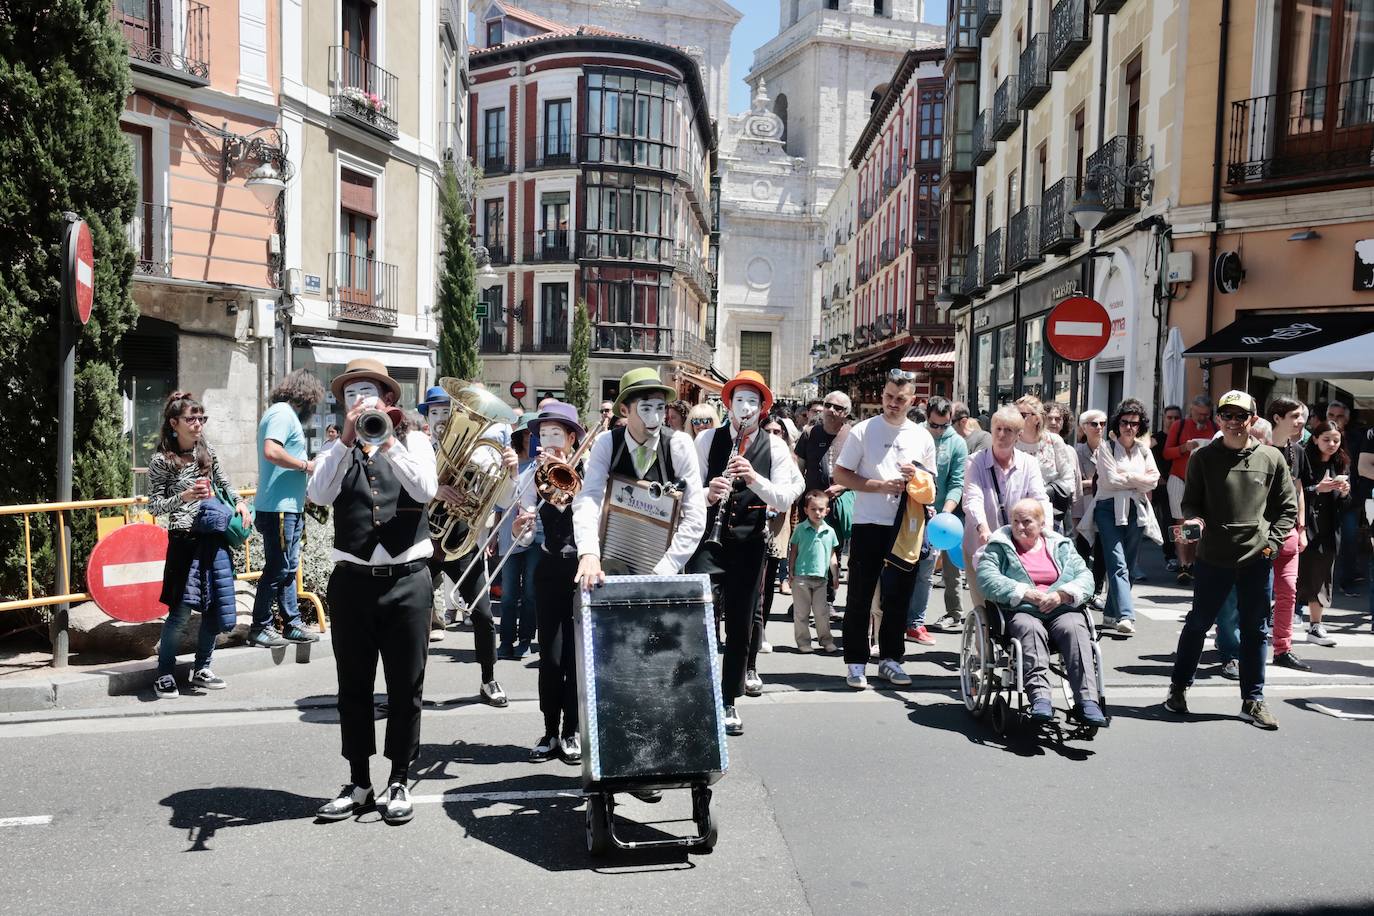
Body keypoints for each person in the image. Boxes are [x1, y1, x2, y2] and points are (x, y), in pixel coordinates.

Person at [308, 359, 438, 823]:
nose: (359, 403)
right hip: (353, 583)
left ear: (387, 399)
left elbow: (424, 490)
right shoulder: (333, 450)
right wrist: (347, 441)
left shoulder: (415, 440)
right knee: (353, 688)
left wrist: (387, 443)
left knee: (407, 687)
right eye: (350, 396)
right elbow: (319, 496)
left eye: (368, 394)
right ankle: (359, 781)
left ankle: (399, 777)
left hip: (407, 580)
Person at [1165, 390, 1298, 731]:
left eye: (1241, 416)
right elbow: (1190, 504)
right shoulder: (1203, 458)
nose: (1234, 422)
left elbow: (1287, 510)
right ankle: (1178, 688)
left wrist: (1271, 546)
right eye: (1227, 415)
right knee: (1198, 623)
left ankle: (1253, 700)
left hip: (1257, 558)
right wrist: (1194, 522)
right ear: (1219, 420)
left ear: (1253, 419)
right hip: (1213, 557)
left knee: (1256, 630)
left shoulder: (1271, 458)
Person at [693, 371, 804, 735]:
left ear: (762, 409)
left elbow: (787, 496)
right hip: (707, 542)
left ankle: (728, 699)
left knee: (740, 624)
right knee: (702, 618)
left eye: (752, 402)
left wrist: (754, 478)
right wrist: (708, 493)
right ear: (728, 404)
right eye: (739, 400)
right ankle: (699, 693)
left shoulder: (773, 448)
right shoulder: (708, 439)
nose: (745, 408)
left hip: (749, 544)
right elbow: (686, 488)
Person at [832, 369, 937, 689]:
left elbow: (931, 484)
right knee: (860, 597)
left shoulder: (922, 436)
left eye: (900, 399)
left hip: (906, 526)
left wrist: (916, 477)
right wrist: (879, 486)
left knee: (898, 597)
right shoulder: (864, 430)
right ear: (882, 396)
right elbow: (841, 475)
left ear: (912, 401)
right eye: (889, 397)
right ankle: (855, 662)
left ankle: (891, 659)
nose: (893, 403)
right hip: (868, 524)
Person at [147, 392, 249, 699]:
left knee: (213, 609)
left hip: (212, 537)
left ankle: (203, 667)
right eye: (191, 419)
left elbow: (226, 483)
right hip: (184, 540)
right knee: (180, 613)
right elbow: (154, 506)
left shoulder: (207, 451)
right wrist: (185, 496)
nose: (197, 425)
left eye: (201, 418)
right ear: (174, 423)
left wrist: (241, 502)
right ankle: (164, 673)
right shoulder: (161, 461)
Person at [976, 498, 1106, 725]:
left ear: (1042, 523)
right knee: (1030, 629)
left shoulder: (1061, 545)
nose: (1019, 526)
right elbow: (987, 579)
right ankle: (1040, 699)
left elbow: (1085, 577)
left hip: (1060, 608)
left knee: (1075, 628)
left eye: (1026, 521)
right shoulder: (999, 546)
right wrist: (1025, 592)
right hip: (1023, 609)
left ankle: (1087, 701)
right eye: (1015, 521)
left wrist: (1062, 595)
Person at [428, 382, 518, 708]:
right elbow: (411, 490)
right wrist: (435, 491)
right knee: (409, 616)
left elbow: (503, 501)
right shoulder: (427, 448)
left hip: (460, 542)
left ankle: (489, 678)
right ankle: (402, 688)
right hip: (425, 541)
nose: (477, 417)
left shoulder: (488, 452)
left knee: (482, 613)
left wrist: (511, 471)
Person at [573, 368, 707, 579]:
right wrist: (589, 551)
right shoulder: (607, 443)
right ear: (625, 411)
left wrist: (667, 566)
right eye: (645, 409)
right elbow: (589, 497)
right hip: (612, 565)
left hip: (663, 567)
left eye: (660, 408)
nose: (655, 418)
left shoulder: (678, 444)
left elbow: (695, 514)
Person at [511, 403, 587, 764]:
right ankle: (550, 730)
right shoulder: (531, 475)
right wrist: (520, 529)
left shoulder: (588, 471)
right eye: (543, 435)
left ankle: (573, 730)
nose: (549, 441)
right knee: (551, 657)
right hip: (549, 567)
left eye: (557, 434)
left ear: (572, 438)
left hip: (582, 572)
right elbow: (525, 536)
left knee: (576, 658)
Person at [250, 369, 326, 649]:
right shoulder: (282, 414)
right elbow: (272, 451)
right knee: (278, 568)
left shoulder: (281, 413)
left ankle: (291, 624)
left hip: (286, 507)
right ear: (307, 396)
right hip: (278, 509)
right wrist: (306, 466)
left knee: (287, 567)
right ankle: (260, 626)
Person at [962, 406, 1054, 615]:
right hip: (981, 544)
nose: (1002, 435)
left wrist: (1045, 529)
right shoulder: (975, 462)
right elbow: (972, 499)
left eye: (1008, 430)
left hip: (1018, 547)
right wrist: (983, 528)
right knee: (985, 608)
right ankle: (982, 644)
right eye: (998, 429)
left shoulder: (1028, 463)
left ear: (1018, 435)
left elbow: (1040, 499)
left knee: (1017, 605)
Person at [1080, 399, 1160, 635]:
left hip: (1135, 508)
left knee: (1130, 562)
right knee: (1117, 562)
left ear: (1140, 426)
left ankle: (1111, 614)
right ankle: (1126, 615)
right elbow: (1110, 481)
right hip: (1107, 507)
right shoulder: (1106, 447)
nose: (1129, 427)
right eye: (1125, 422)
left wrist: (1128, 477)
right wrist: (1137, 479)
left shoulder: (1143, 450)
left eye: (1134, 424)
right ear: (1118, 423)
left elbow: (1153, 480)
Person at [909, 396, 968, 639]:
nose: (940, 430)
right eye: (935, 425)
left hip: (942, 516)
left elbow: (957, 482)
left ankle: (942, 614)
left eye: (945, 425)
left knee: (939, 568)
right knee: (910, 565)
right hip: (912, 510)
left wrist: (947, 510)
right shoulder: (915, 435)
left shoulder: (958, 444)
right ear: (927, 418)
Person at [794, 390, 854, 615]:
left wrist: (842, 486)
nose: (831, 410)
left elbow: (860, 469)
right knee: (807, 551)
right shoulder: (809, 433)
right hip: (810, 505)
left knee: (831, 552)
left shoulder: (853, 435)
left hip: (837, 505)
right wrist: (797, 496)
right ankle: (803, 598)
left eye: (838, 408)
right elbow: (799, 468)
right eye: (828, 405)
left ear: (846, 414)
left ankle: (827, 600)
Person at [1297, 420, 1352, 647]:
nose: (1331, 444)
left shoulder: (1341, 464)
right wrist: (1316, 489)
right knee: (1296, 575)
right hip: (1304, 526)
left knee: (1322, 576)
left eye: (1336, 440)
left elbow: (1346, 504)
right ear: (1315, 439)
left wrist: (1345, 492)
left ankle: (1316, 624)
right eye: (1326, 439)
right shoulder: (1304, 461)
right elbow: (1293, 492)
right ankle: (1281, 613)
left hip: (1329, 528)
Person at [1267, 397, 1312, 671]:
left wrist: (1302, 527)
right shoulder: (1259, 447)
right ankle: (1239, 646)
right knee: (1255, 595)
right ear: (1277, 418)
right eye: (1295, 416)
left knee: (1288, 593)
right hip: (1260, 533)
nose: (1301, 421)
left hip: (1290, 533)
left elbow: (1298, 489)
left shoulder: (1298, 450)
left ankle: (1282, 648)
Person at [494, 414, 540, 659]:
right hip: (507, 531)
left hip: (536, 532)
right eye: (527, 433)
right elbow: (499, 501)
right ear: (519, 435)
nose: (531, 437)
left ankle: (525, 639)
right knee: (509, 591)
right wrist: (493, 534)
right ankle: (505, 640)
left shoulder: (541, 463)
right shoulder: (509, 461)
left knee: (531, 591)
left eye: (535, 433)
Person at [1163, 396, 1218, 584]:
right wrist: (1184, 448)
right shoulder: (1179, 425)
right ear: (1192, 410)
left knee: (1197, 522)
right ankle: (1183, 563)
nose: (1203, 418)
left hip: (1203, 481)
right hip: (1179, 478)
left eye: (1206, 414)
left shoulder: (1215, 427)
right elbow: (1166, 452)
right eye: (1199, 414)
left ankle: (1193, 562)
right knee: (1181, 522)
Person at [1014, 394, 1077, 533]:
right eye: (1015, 414)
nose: (1016, 418)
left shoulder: (1054, 441)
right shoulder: (1012, 442)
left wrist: (1050, 492)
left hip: (1050, 511)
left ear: (1037, 418)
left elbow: (1068, 478)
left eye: (1022, 415)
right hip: (1018, 512)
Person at [789, 490, 839, 653]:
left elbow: (832, 556)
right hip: (801, 577)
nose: (817, 513)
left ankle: (826, 640)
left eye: (821, 509)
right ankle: (803, 642)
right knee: (801, 613)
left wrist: (835, 575)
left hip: (821, 579)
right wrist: (790, 571)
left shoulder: (830, 531)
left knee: (821, 612)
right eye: (813, 509)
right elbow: (794, 551)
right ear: (806, 510)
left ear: (827, 511)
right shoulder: (800, 529)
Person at [1324, 401, 1363, 595]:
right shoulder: (1320, 435)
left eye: (1339, 416)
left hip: (1350, 497)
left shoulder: (1357, 438)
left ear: (1346, 419)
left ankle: (1347, 581)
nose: (1334, 419)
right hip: (1324, 497)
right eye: (1331, 415)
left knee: (1349, 539)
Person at [1072, 409, 1108, 605]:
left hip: (1103, 505)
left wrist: (1090, 483)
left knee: (1102, 548)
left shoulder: (1110, 449)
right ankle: (1082, 588)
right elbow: (1074, 483)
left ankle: (1096, 590)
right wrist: (1094, 483)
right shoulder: (1076, 452)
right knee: (1082, 549)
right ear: (1084, 427)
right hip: (1082, 506)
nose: (1099, 427)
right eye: (1094, 424)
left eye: (1102, 423)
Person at [1152, 405, 1182, 571]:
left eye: (1176, 418)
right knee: (1168, 521)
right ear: (1163, 418)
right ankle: (1170, 556)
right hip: (1161, 486)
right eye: (1169, 417)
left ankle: (1181, 556)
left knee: (1178, 522)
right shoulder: (1155, 439)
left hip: (1180, 484)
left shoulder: (1182, 437)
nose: (1172, 421)